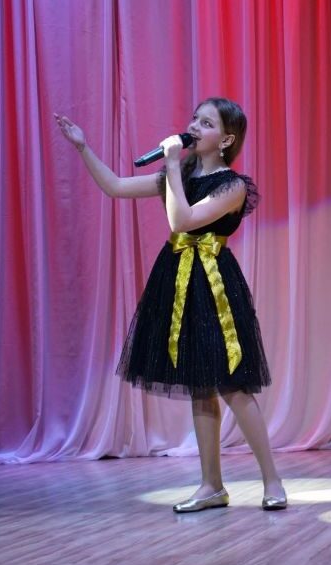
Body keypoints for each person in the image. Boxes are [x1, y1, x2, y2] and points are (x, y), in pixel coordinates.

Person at [54, 98, 286, 512]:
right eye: (195, 119)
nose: (194, 126)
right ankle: (211, 486)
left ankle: (272, 480)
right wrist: (83, 147)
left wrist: (174, 166)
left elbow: (182, 221)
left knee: (233, 384)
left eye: (207, 123)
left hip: (213, 283)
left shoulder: (232, 186)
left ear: (226, 139)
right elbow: (116, 187)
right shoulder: (178, 175)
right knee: (200, 385)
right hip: (178, 280)